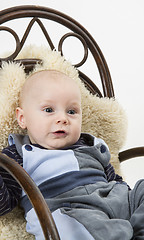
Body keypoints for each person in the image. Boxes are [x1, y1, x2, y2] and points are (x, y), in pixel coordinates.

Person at [0, 69, 144, 240]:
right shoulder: (17, 156)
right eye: (48, 110)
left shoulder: (90, 143)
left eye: (71, 111)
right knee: (66, 226)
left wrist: (130, 201)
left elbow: (114, 179)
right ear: (22, 118)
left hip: (115, 198)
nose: (63, 118)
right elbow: (4, 202)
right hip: (70, 209)